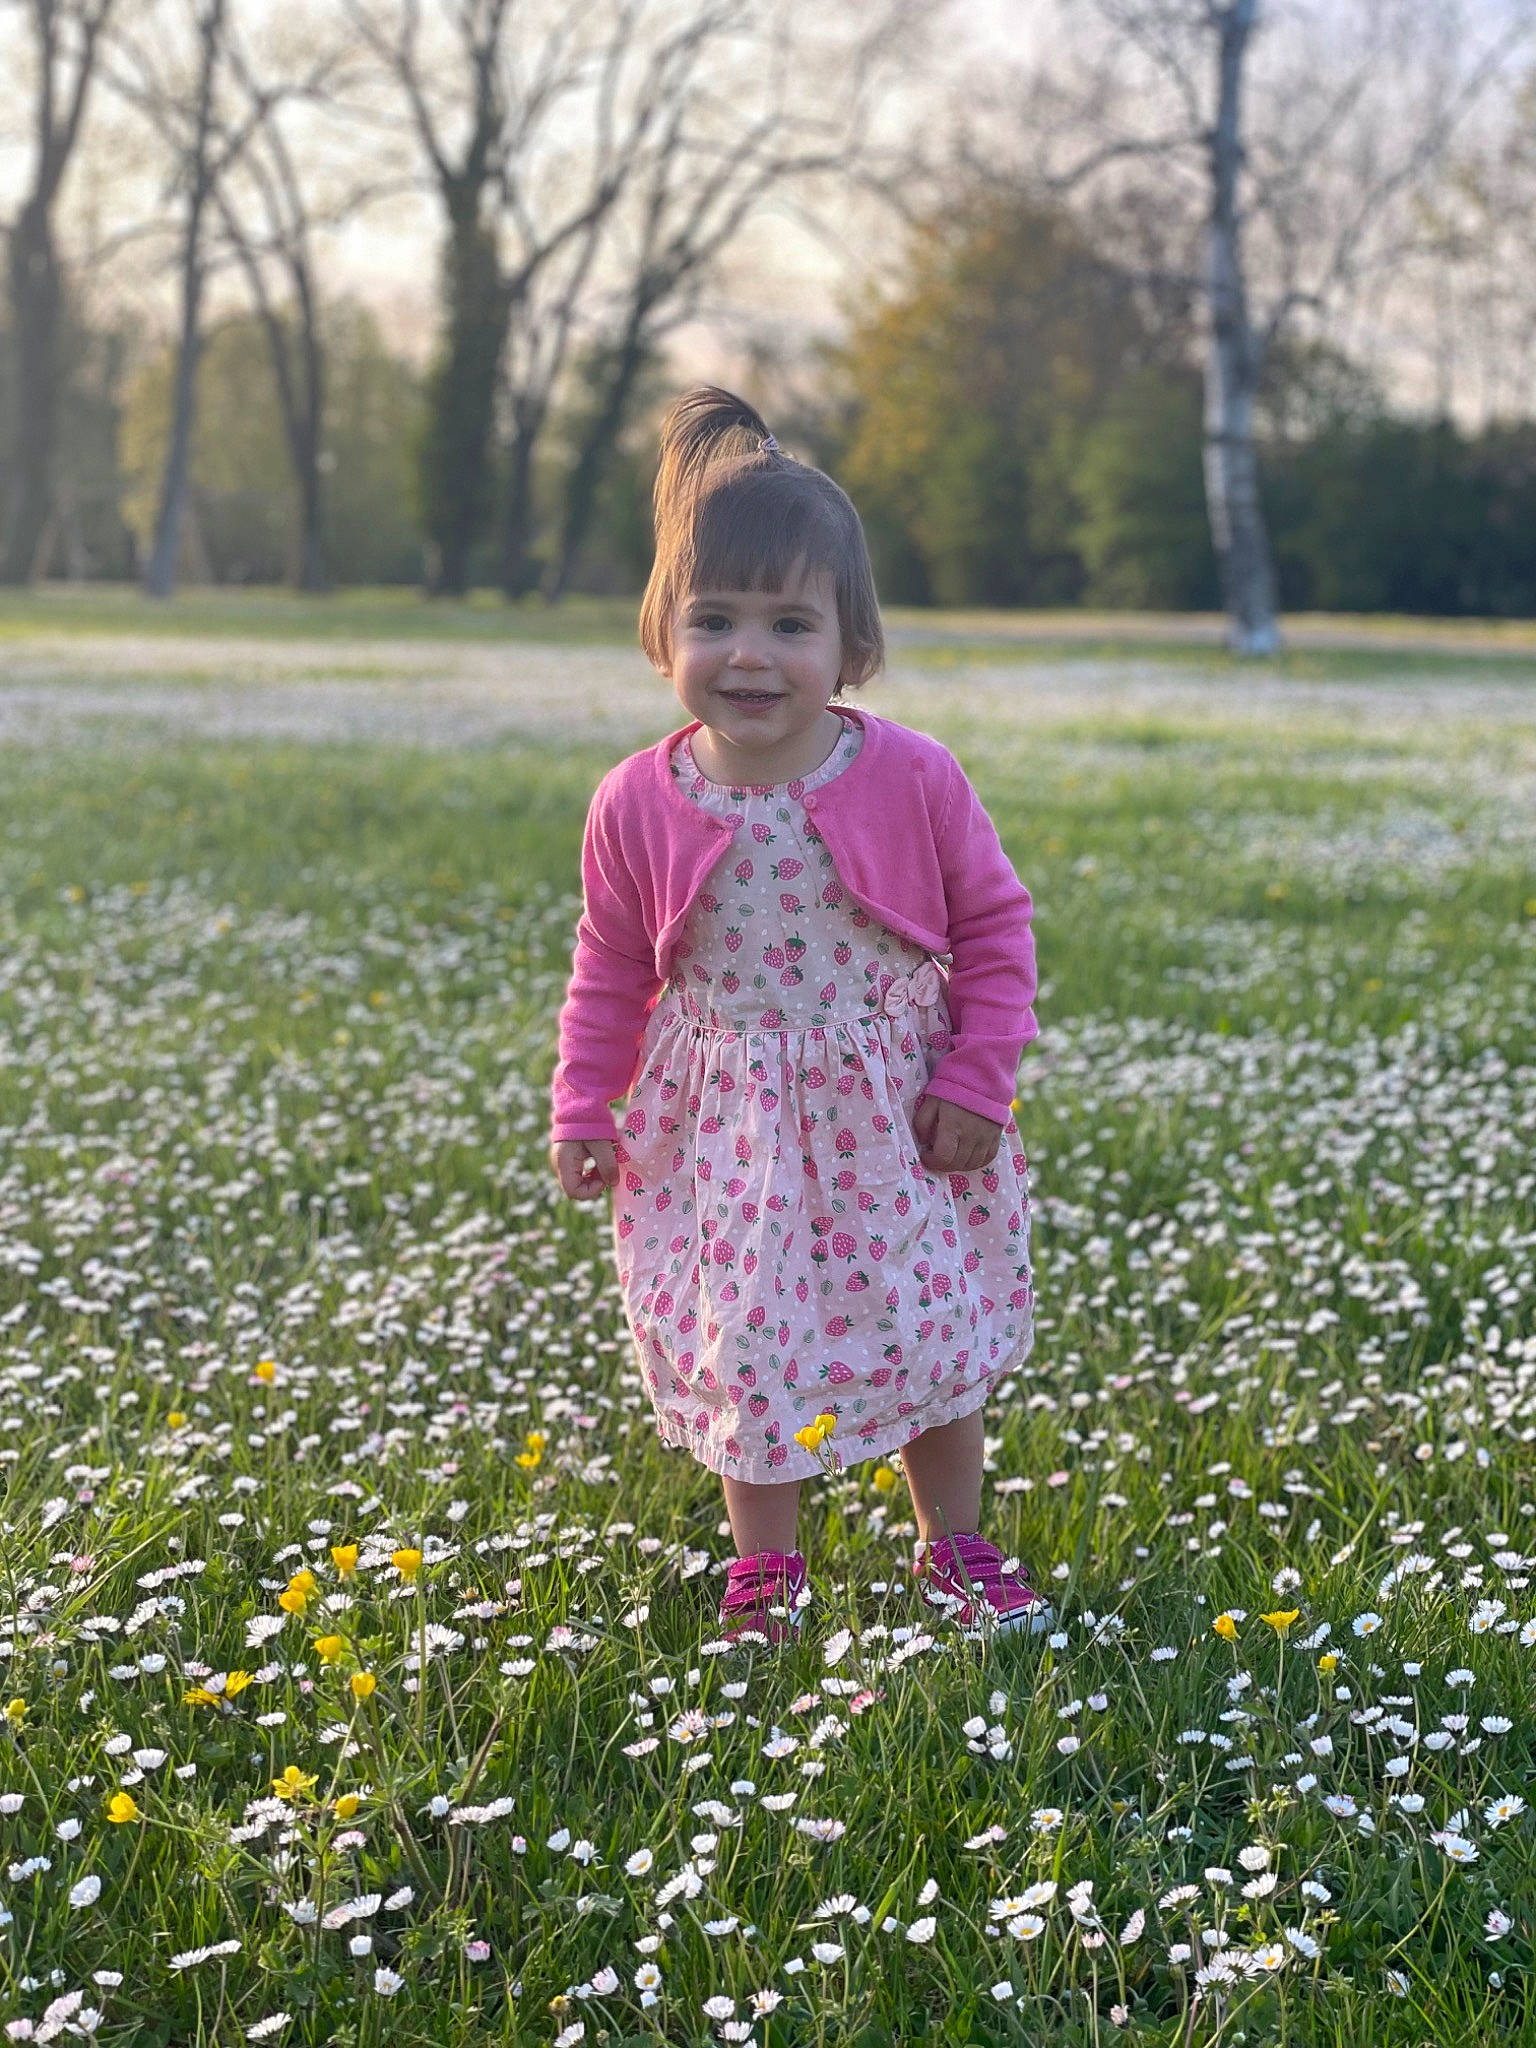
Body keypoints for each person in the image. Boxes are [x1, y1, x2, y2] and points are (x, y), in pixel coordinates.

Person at [547, 385, 1048, 1647]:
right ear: (666, 632)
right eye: (714, 620)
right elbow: (610, 962)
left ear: (850, 645)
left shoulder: (910, 774)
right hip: (727, 1122)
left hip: (892, 1103)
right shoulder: (636, 800)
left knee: (924, 1317)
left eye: (790, 621)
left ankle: (956, 1540)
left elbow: (994, 928)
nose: (751, 654)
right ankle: (764, 1563)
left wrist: (977, 1080)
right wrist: (582, 1102)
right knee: (751, 1333)